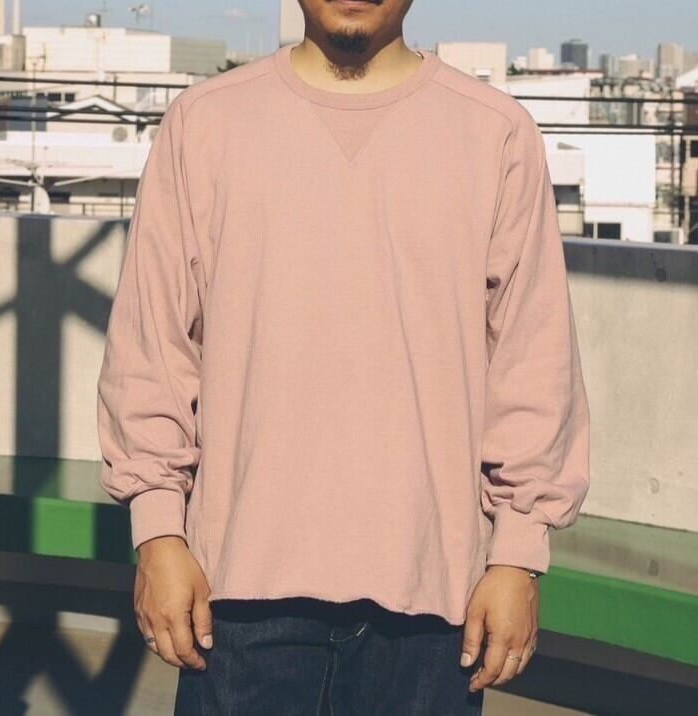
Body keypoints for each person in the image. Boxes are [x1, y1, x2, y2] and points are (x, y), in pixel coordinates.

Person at [96, 1, 591, 713]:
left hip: (434, 602)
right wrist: (158, 531)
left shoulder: (495, 132)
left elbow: (533, 359)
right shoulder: (205, 123)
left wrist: (518, 552)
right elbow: (151, 345)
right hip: (233, 593)